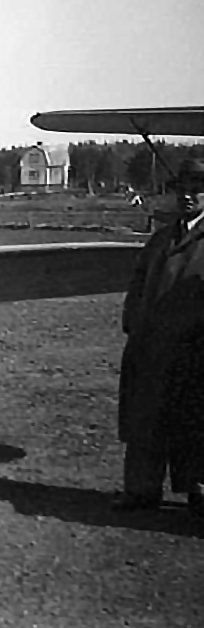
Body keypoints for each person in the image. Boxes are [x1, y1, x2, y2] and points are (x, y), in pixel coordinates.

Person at [116, 157, 204, 515]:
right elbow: (139, 285)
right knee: (145, 419)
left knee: (196, 421)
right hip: (152, 346)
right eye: (182, 189)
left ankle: (199, 492)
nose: (188, 196)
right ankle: (141, 490)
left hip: (195, 350)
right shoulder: (162, 238)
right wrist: (133, 322)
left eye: (197, 189)